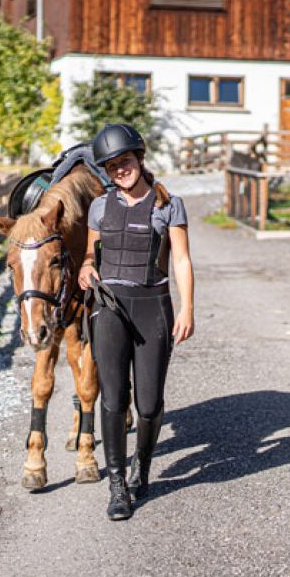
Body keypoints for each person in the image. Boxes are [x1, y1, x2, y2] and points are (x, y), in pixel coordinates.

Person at [78, 124, 195, 521]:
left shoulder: (169, 205)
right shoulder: (99, 206)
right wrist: (86, 268)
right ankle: (117, 486)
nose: (119, 171)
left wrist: (188, 308)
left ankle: (141, 467)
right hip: (109, 305)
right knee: (113, 398)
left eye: (124, 162)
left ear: (140, 159)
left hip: (152, 305)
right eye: (111, 167)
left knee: (148, 404)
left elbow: (181, 259)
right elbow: (90, 254)